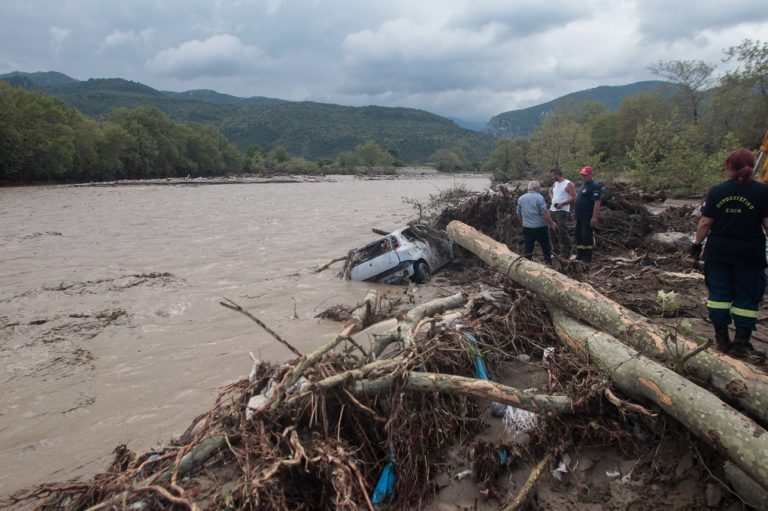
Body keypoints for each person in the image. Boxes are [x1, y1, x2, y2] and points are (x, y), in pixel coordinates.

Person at [692, 148, 768, 361]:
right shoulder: (762, 192)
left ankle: (722, 340)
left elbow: (705, 222)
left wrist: (696, 245)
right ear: (753, 166)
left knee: (718, 295)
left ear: (728, 167)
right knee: (748, 297)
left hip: (718, 252)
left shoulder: (717, 191)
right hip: (749, 254)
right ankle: (741, 343)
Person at [516, 181, 557, 263]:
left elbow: (518, 213)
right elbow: (545, 213)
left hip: (527, 227)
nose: (540, 189)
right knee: (545, 247)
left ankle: (526, 265)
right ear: (535, 188)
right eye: (539, 187)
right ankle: (548, 263)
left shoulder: (521, 198)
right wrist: (551, 223)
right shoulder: (539, 197)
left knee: (528, 248)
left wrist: (522, 223)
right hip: (540, 227)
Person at [574, 166, 601, 262]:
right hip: (579, 216)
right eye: (582, 175)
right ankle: (579, 254)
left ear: (590, 175)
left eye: (585, 175)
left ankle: (587, 257)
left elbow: (597, 202)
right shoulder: (583, 185)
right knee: (578, 235)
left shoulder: (595, 186)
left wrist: (594, 217)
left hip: (588, 216)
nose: (583, 176)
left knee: (586, 236)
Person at [549, 168, 575, 257]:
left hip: (562, 211)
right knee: (552, 230)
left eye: (552, 175)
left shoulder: (568, 184)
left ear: (557, 174)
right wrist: (552, 198)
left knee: (562, 231)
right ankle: (556, 251)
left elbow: (573, 198)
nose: (551, 177)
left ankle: (570, 251)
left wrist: (562, 203)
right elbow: (550, 191)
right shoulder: (555, 184)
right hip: (553, 209)